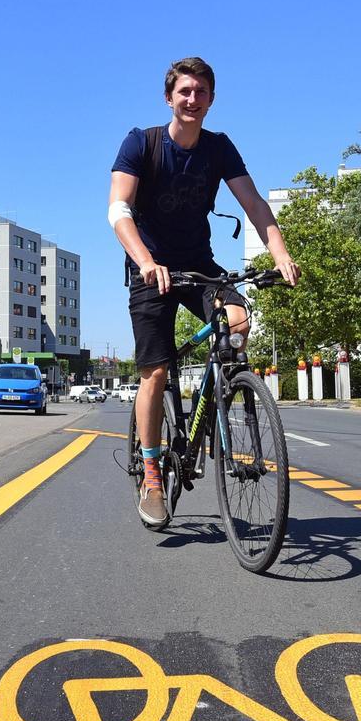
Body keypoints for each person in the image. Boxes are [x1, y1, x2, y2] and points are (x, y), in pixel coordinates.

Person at [109, 56, 301, 529]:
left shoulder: (219, 149)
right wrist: (146, 262)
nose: (191, 100)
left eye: (201, 92)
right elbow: (118, 210)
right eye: (184, 92)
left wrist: (279, 251)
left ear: (211, 100)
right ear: (169, 97)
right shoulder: (142, 143)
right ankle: (152, 473)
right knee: (155, 371)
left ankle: (220, 403)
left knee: (238, 320)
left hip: (197, 266)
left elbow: (253, 203)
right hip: (150, 267)